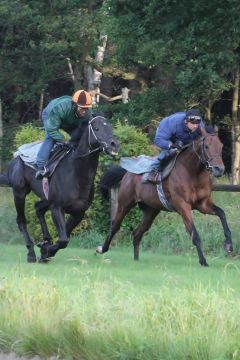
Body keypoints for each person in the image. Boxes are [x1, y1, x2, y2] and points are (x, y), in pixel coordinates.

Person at [35, 90, 93, 179]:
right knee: (51, 138)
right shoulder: (60, 108)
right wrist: (63, 140)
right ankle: (40, 167)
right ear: (74, 105)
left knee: (78, 137)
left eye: (86, 108)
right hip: (51, 114)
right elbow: (52, 130)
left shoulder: (87, 113)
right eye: (82, 108)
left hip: (69, 119)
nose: (84, 111)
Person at [142, 108, 204, 184]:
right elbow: (158, 140)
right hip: (167, 137)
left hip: (186, 139)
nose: (195, 126)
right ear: (186, 121)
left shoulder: (200, 125)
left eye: (196, 124)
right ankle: (153, 170)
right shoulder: (172, 122)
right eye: (192, 124)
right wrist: (171, 145)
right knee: (171, 151)